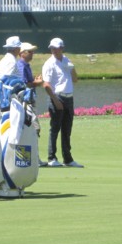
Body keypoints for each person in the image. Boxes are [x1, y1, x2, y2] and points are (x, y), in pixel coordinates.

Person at [41, 37, 83, 168]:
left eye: (56, 48)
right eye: (52, 48)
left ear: (62, 48)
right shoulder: (49, 63)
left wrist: (72, 69)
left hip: (69, 97)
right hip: (57, 97)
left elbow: (75, 79)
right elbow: (46, 85)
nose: (53, 50)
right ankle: (52, 157)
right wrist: (55, 100)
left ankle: (68, 159)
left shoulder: (66, 60)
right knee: (55, 129)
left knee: (67, 129)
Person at [17, 42, 46, 166]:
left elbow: (28, 81)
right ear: (22, 53)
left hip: (29, 101)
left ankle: (32, 158)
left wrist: (34, 81)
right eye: (29, 51)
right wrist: (37, 82)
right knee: (33, 128)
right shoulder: (21, 65)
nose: (32, 53)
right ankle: (32, 159)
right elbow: (25, 84)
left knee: (31, 130)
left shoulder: (26, 65)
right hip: (25, 103)